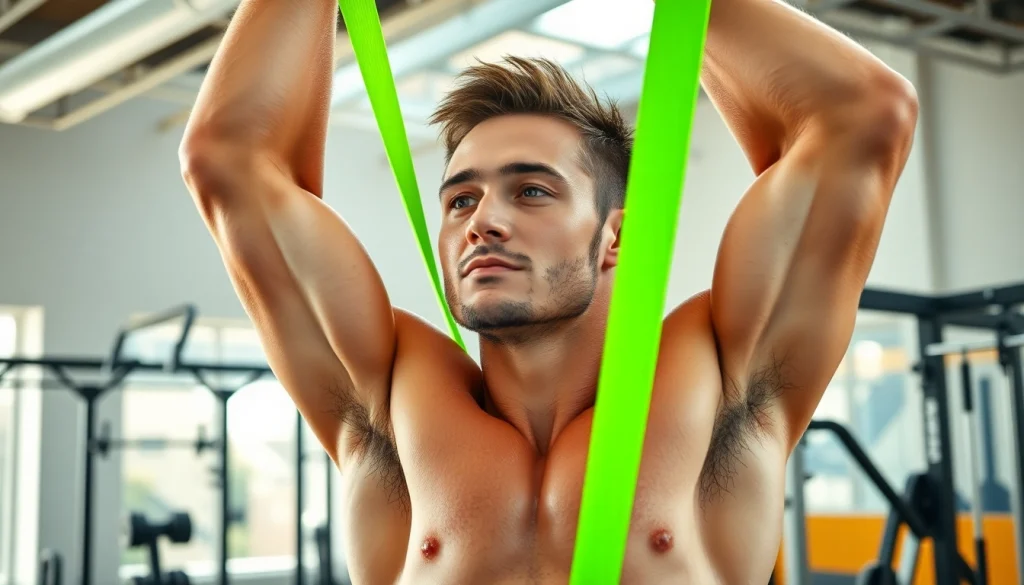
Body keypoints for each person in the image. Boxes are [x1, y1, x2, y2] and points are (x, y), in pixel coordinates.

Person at [179, 0, 918, 582]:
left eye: (531, 191)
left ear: (616, 237)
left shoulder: (721, 378)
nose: (483, 223)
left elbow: (864, 116)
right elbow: (227, 160)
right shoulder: (393, 400)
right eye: (461, 200)